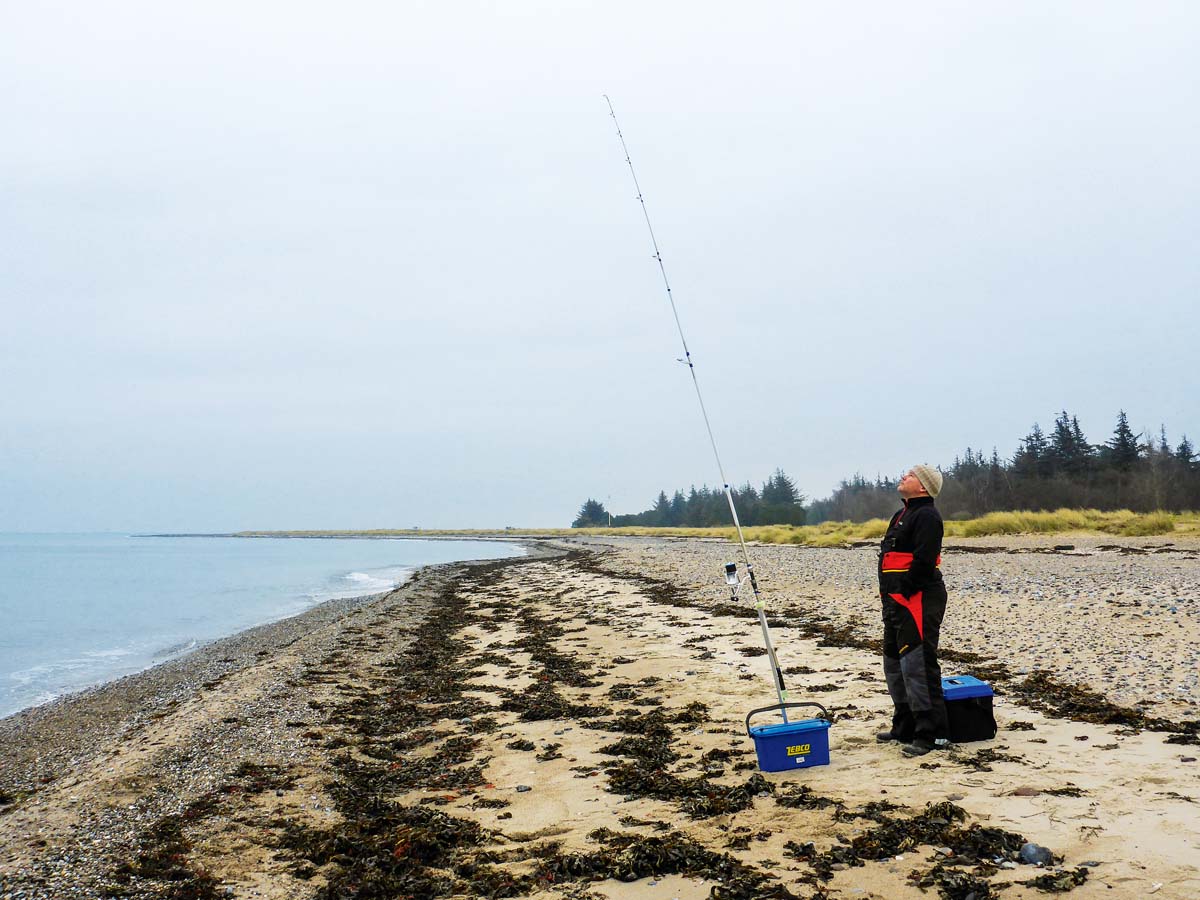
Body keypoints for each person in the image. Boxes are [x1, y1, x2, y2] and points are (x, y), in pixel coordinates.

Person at [876, 464, 949, 757]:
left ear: (923, 487)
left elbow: (925, 560)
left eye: (910, 475)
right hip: (894, 602)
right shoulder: (901, 514)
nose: (903, 476)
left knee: (918, 665)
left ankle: (930, 734)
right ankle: (903, 725)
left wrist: (906, 589)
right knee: (894, 664)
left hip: (919, 599)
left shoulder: (928, 516)